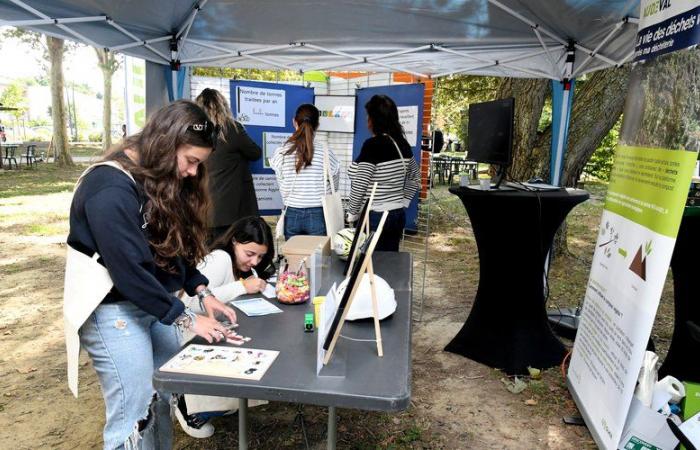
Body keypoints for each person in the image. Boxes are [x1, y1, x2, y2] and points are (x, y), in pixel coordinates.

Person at [64, 100, 239, 450]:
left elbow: (169, 248)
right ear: (166, 143)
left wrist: (203, 292)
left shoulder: (157, 177)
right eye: (191, 161)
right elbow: (130, 271)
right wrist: (187, 317)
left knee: (162, 394)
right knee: (133, 413)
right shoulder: (108, 188)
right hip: (112, 311)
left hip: (152, 303)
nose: (193, 172)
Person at [174, 216, 274, 437]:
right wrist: (241, 286)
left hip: (218, 327)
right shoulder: (219, 259)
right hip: (190, 332)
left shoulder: (243, 264)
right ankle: (186, 404)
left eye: (261, 256)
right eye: (250, 254)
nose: (255, 262)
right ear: (235, 241)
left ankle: (216, 401)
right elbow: (191, 303)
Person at [347, 95, 420, 251]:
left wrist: (352, 213)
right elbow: (415, 176)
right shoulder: (402, 144)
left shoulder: (372, 145)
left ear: (374, 119)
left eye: (368, 115)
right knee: (389, 263)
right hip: (397, 214)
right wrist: (404, 201)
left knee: (371, 265)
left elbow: (359, 183)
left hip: (376, 216)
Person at [195, 88, 262, 242]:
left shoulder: (195, 132)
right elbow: (255, 153)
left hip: (202, 211)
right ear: (223, 105)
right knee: (228, 256)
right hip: (230, 213)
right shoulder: (231, 128)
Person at [270, 103, 339, 240]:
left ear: (294, 122)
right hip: (319, 213)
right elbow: (334, 184)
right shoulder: (325, 152)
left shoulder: (282, 152)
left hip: (291, 212)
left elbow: (282, 184)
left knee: (295, 258)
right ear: (317, 125)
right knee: (318, 259)